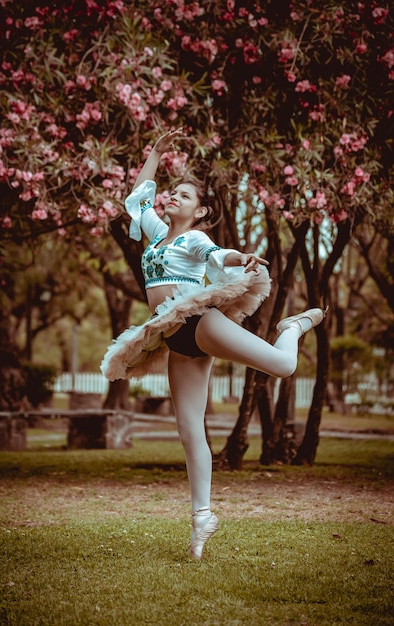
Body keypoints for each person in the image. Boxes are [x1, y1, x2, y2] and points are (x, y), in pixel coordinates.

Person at [101, 127, 327, 560]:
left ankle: (292, 328)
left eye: (183, 196)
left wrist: (240, 258)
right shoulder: (154, 232)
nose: (172, 198)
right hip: (173, 337)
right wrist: (154, 153)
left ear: (200, 209)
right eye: (173, 193)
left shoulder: (194, 238)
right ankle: (202, 516)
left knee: (283, 367)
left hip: (198, 321)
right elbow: (136, 199)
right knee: (188, 429)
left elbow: (217, 255)